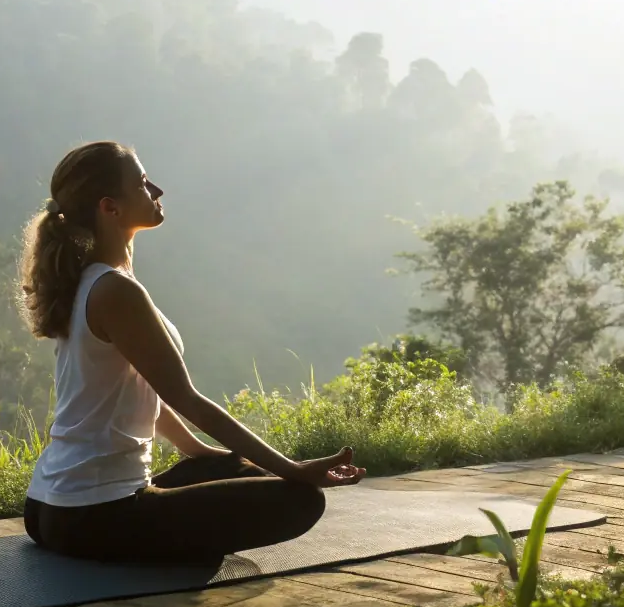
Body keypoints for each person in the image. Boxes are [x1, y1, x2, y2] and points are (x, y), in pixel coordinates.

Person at [18, 141, 365, 563]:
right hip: (95, 516)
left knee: (235, 467)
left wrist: (199, 452)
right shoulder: (114, 290)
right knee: (302, 499)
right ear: (110, 208)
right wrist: (293, 468)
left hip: (51, 508)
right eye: (144, 184)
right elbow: (187, 399)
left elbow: (144, 390)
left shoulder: (92, 280)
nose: (158, 190)